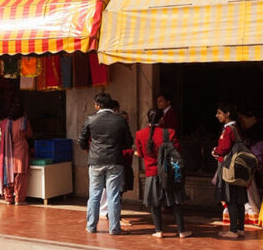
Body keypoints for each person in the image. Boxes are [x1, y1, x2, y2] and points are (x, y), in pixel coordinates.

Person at [78, 92, 133, 235]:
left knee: (94, 195)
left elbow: (81, 140)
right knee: (113, 195)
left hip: (95, 161)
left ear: (98, 105)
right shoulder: (120, 120)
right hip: (115, 161)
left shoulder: (90, 119)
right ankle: (114, 228)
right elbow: (129, 142)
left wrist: (89, 150)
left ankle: (91, 226)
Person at [135, 107, 190, 238]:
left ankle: (158, 231)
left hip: (152, 173)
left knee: (155, 204)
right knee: (175, 202)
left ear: (147, 118)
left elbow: (141, 153)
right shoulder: (170, 132)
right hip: (169, 173)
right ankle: (181, 231)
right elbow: (177, 152)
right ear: (162, 119)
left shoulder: (140, 134)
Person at [212, 101, 248, 239]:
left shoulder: (228, 129)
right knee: (239, 199)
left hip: (229, 168)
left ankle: (233, 230)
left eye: (219, 113)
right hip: (238, 168)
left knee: (231, 198)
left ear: (227, 114)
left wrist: (215, 151)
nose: (217, 116)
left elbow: (224, 148)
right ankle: (240, 229)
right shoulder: (237, 127)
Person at [0, 102, 32, 206]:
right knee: (20, 175)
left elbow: (1, 134)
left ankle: (9, 198)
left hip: (7, 151)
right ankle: (19, 199)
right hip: (21, 150)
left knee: (8, 173)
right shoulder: (24, 121)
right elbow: (29, 134)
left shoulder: (4, 122)